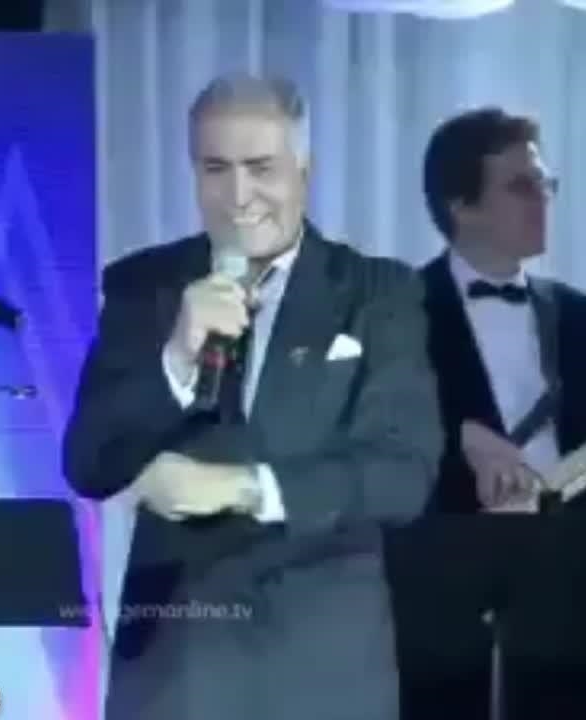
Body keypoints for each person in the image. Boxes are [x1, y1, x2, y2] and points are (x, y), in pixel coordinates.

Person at [62, 72, 443, 720]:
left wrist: (244, 487)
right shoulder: (144, 285)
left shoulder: (376, 292)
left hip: (322, 673)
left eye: (260, 168)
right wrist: (176, 358)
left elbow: (402, 474)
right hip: (176, 669)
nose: (238, 196)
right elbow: (88, 462)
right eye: (216, 169)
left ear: (304, 170)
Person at [398, 107, 586, 720]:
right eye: (521, 186)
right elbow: (373, 451)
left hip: (567, 624)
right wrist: (459, 444)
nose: (542, 199)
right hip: (444, 629)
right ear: (461, 206)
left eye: (546, 183)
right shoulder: (397, 312)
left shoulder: (583, 318)